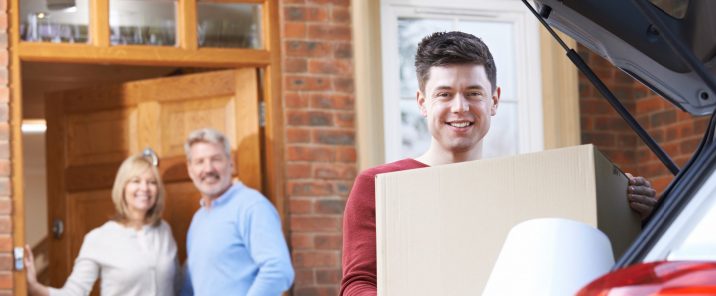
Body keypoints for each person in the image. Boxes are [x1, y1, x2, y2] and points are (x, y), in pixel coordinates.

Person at [340, 31, 658, 296]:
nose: (460, 107)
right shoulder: (377, 186)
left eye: (474, 93)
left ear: (494, 101)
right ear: (423, 103)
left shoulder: (524, 191)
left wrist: (635, 218)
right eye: (445, 94)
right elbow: (358, 285)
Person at [24, 154, 179, 296]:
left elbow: (177, 285)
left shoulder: (164, 230)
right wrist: (34, 287)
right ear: (123, 187)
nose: (144, 188)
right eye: (136, 181)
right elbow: (73, 293)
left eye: (152, 182)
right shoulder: (99, 238)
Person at [180, 128, 294, 296]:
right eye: (199, 162)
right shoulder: (199, 219)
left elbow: (279, 270)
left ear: (231, 162)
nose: (208, 168)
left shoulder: (252, 206)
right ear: (190, 170)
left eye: (216, 159)